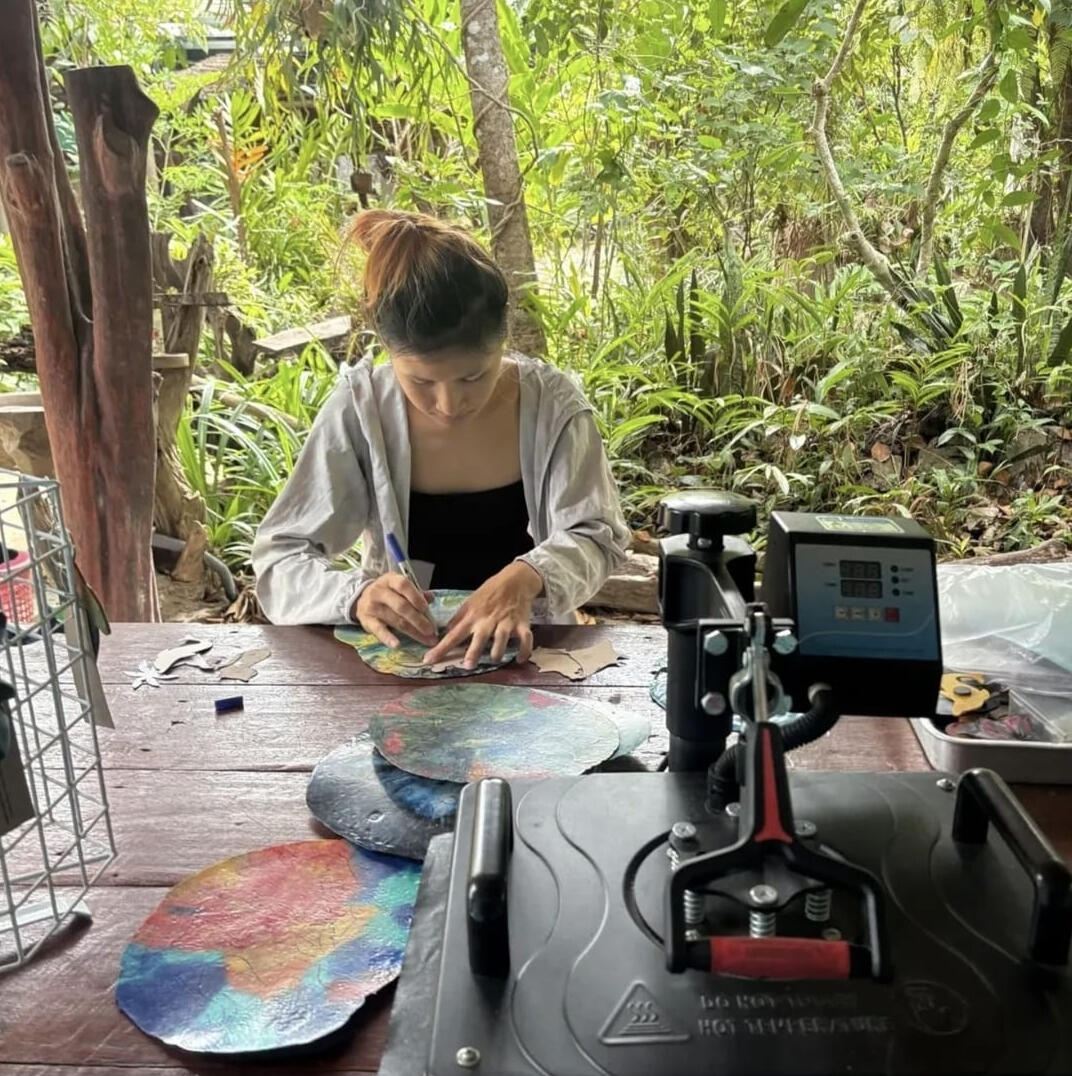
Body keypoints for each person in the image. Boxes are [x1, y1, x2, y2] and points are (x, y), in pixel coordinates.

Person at [251, 209, 630, 669]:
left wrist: (529, 575)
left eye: (473, 377)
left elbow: (598, 534)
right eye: (422, 382)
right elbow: (280, 558)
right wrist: (357, 596)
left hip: (533, 658)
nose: (449, 404)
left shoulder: (554, 408)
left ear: (503, 342)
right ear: (389, 353)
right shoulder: (362, 412)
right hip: (399, 663)